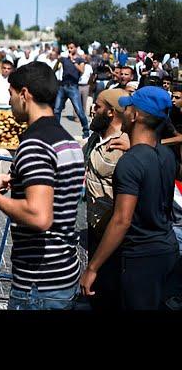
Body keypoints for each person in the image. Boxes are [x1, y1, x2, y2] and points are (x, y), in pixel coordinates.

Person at [0, 62, 85, 310]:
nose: (9, 102)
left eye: (10, 95)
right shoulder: (68, 141)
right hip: (64, 274)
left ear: (24, 94)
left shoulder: (34, 145)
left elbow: (39, 217)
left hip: (39, 284)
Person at [80, 86, 179, 309]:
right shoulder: (166, 154)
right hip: (166, 250)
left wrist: (92, 267)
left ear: (135, 115)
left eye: (127, 108)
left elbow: (122, 219)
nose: (122, 112)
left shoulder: (130, 162)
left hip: (140, 258)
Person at [82, 89, 130, 310]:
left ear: (111, 112)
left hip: (114, 230)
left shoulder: (125, 143)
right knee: (96, 292)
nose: (93, 109)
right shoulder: (95, 137)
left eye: (98, 106)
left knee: (110, 292)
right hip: (95, 224)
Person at [54, 42, 90, 138]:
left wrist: (73, 61)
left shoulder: (80, 59)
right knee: (57, 109)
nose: (70, 50)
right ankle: (55, 129)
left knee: (79, 110)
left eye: (71, 48)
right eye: (68, 48)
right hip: (63, 86)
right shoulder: (64, 59)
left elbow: (82, 71)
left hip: (73, 87)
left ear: (76, 48)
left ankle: (86, 130)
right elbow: (55, 69)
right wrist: (58, 61)